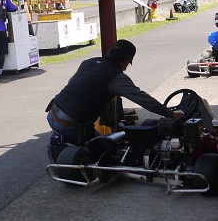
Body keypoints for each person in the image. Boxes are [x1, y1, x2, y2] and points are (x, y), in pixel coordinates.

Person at [46, 39, 183, 146]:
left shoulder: (88, 62)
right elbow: (142, 98)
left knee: (99, 140)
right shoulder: (116, 77)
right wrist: (169, 113)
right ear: (127, 61)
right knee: (107, 151)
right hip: (71, 125)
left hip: (52, 114)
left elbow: (73, 83)